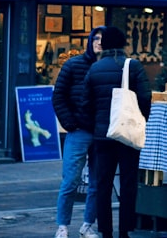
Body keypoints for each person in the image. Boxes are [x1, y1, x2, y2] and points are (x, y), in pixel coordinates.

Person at [84, 26, 152, 238]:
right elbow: (145, 98)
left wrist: (96, 126)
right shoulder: (133, 66)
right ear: (124, 44)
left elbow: (86, 105)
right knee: (128, 183)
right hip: (128, 135)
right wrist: (141, 120)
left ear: (103, 45)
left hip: (103, 136)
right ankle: (125, 231)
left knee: (103, 184)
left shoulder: (94, 69)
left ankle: (105, 231)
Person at [51, 26, 105, 238]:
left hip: (102, 133)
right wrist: (69, 122)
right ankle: (62, 226)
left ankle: (87, 226)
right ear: (90, 41)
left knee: (97, 182)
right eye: (96, 38)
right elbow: (58, 97)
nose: (99, 42)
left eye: (103, 39)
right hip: (79, 130)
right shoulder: (73, 65)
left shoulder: (113, 67)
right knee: (70, 180)